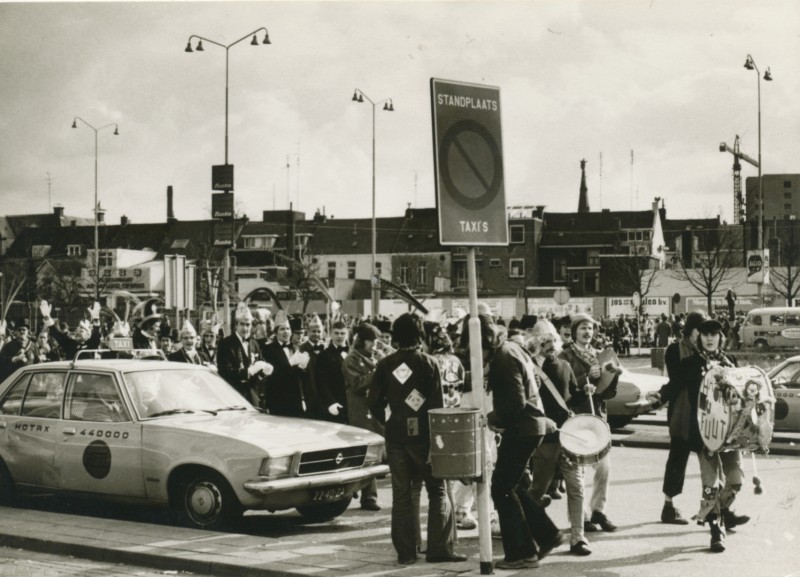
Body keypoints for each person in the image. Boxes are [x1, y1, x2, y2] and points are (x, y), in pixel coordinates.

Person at [368, 313, 466, 566]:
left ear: (396, 335)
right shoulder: (429, 363)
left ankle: (406, 553)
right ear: (420, 334)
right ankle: (438, 549)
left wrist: (390, 419)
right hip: (424, 438)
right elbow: (437, 407)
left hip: (396, 436)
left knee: (402, 495)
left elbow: (374, 402)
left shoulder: (386, 364)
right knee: (438, 491)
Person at [646, 319, 749, 552]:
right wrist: (658, 398)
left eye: (714, 334)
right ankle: (716, 530)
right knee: (710, 485)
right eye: (705, 335)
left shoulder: (730, 362)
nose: (710, 338)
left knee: (735, 480)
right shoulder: (691, 363)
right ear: (699, 338)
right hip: (706, 433)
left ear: (721, 337)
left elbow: (743, 392)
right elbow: (674, 385)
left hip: (731, 434)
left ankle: (719, 513)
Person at [484, 313, 563, 570]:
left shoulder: (503, 357)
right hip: (531, 425)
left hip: (522, 427)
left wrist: (493, 417)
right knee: (515, 486)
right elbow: (534, 384)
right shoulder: (513, 349)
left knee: (501, 489)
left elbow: (515, 403)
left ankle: (521, 553)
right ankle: (547, 534)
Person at [527, 321, 591, 556]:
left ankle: (578, 536)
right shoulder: (530, 368)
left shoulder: (565, 365)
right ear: (536, 345)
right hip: (545, 439)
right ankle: (531, 533)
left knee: (577, 488)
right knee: (537, 490)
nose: (550, 346)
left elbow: (570, 396)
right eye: (545, 342)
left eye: (553, 341)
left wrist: (584, 391)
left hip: (568, 436)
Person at [559, 313, 619, 533]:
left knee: (604, 467)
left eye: (591, 328)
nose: (587, 332)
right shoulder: (564, 355)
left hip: (598, 418)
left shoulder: (598, 355)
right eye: (583, 328)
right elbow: (564, 386)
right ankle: (581, 517)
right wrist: (586, 378)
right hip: (577, 418)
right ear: (574, 331)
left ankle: (599, 511)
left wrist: (613, 376)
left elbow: (607, 393)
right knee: (579, 472)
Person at [649, 311, 707, 525]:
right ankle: (668, 506)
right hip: (683, 413)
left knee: (709, 461)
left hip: (705, 413)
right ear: (690, 331)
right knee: (678, 458)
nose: (704, 335)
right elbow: (678, 379)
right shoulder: (675, 350)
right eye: (700, 330)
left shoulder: (709, 350)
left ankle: (715, 507)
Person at [343, 323, 384, 511]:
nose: (374, 344)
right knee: (367, 454)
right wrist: (378, 372)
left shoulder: (373, 358)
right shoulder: (351, 359)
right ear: (362, 341)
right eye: (371, 341)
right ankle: (368, 497)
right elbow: (358, 383)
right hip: (360, 411)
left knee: (375, 453)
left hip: (375, 411)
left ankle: (364, 493)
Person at [217, 305, 272, 403]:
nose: (245, 328)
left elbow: (260, 363)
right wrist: (247, 372)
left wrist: (265, 371)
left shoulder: (254, 343)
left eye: (248, 324)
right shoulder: (226, 343)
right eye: (242, 324)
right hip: (234, 395)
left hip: (253, 396)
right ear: (236, 325)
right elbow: (224, 372)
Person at [260, 313, 310, 417]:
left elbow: (299, 377)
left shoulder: (296, 348)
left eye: (288, 329)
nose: (286, 332)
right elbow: (273, 375)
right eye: (282, 329)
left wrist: (303, 368)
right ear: (276, 332)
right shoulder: (268, 349)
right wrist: (290, 364)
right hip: (278, 400)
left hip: (295, 400)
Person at [314, 321, 350, 424]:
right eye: (336, 333)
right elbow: (321, 382)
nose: (339, 336)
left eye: (342, 333)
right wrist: (331, 402)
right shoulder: (324, 355)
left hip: (351, 403)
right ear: (331, 334)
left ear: (347, 334)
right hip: (335, 403)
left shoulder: (352, 353)